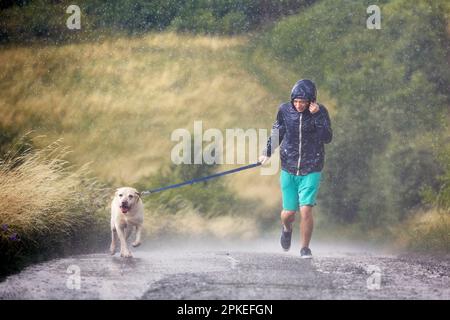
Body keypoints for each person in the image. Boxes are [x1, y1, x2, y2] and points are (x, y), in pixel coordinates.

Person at [259, 79, 332, 258]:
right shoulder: (284, 110)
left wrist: (316, 116)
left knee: (306, 209)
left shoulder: (320, 111)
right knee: (288, 214)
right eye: (296, 101)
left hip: (312, 167)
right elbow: (278, 132)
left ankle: (305, 248)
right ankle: (286, 228)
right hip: (289, 167)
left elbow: (327, 137)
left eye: (303, 101)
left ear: (311, 101)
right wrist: (267, 153)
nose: (299, 105)